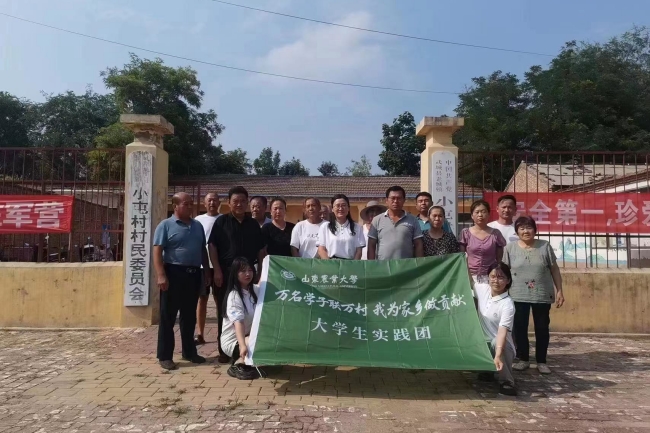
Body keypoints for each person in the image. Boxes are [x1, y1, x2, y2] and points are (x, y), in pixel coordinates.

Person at [153, 192, 211, 370]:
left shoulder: (197, 226)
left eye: (191, 203)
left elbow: (202, 250)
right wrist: (161, 274)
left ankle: (189, 352)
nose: (190, 206)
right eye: (186, 204)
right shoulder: (165, 225)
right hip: (173, 273)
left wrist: (206, 271)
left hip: (193, 274)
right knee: (168, 316)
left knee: (189, 316)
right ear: (175, 206)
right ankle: (165, 355)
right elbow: (157, 251)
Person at [208, 186, 265, 363]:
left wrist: (260, 271)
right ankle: (224, 350)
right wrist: (217, 270)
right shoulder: (221, 222)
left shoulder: (253, 224)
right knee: (224, 311)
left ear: (247, 203)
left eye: (242, 201)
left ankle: (245, 346)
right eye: (235, 201)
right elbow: (212, 246)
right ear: (228, 203)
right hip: (226, 273)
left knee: (249, 309)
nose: (239, 204)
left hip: (248, 274)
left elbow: (261, 250)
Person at [503, 216, 565, 375]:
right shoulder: (510, 248)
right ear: (517, 231)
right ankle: (523, 359)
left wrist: (559, 290)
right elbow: (504, 272)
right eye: (522, 228)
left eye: (529, 227)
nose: (526, 231)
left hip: (541, 294)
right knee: (519, 328)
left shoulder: (545, 246)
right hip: (517, 294)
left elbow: (554, 269)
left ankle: (541, 361)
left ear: (535, 230)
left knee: (542, 328)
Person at [476, 262, 517, 396]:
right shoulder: (483, 290)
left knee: (496, 343)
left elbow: (502, 333)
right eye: (493, 276)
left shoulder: (507, 304)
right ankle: (488, 371)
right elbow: (468, 281)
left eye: (501, 277)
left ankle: (507, 381)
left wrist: (498, 356)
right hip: (483, 343)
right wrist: (463, 259)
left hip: (501, 344)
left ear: (508, 280)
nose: (496, 281)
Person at [220, 257, 263, 381]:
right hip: (234, 341)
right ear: (235, 273)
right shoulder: (234, 296)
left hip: (249, 336)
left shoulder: (255, 290)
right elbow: (238, 323)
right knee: (260, 341)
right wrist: (243, 345)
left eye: (250, 270)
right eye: (243, 271)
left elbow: (265, 282)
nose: (248, 274)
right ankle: (238, 362)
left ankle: (250, 360)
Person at [459, 200, 507, 296]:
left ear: (489, 214)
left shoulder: (496, 233)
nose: (480, 215)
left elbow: (499, 258)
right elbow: (461, 257)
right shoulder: (465, 233)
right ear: (472, 215)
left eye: (483, 212)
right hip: (469, 275)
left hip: (490, 276)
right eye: (477, 212)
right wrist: (466, 275)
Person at [194, 192, 221, 346]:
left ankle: (221, 333)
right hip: (202, 266)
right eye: (209, 200)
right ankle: (200, 334)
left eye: (215, 200)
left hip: (218, 266)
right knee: (202, 299)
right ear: (204, 203)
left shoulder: (224, 219)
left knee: (219, 300)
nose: (212, 203)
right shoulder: (198, 220)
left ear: (220, 203)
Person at [367, 186, 424, 260]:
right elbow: (371, 245)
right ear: (386, 200)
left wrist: (419, 263)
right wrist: (371, 264)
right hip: (383, 265)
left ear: (404, 200)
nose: (396, 201)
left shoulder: (413, 220)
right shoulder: (377, 220)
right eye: (393, 198)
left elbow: (418, 244)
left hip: (406, 265)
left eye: (399, 198)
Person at [317, 194, 365, 260]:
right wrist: (329, 264)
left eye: (343, 205)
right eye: (337, 206)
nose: (340, 208)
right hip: (330, 263)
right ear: (332, 209)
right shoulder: (325, 227)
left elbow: (358, 251)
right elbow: (321, 250)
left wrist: (353, 265)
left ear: (348, 208)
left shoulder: (357, 227)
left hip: (350, 263)